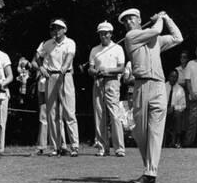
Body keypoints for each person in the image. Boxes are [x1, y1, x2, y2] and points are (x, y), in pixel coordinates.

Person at [119, 8, 183, 183]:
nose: (128, 23)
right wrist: (160, 18)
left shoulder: (156, 40)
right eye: (125, 21)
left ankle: (150, 172)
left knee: (156, 131)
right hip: (141, 86)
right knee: (139, 132)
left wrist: (167, 17)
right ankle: (149, 166)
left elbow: (178, 37)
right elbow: (155, 30)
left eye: (131, 19)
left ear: (139, 19)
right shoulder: (131, 37)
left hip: (159, 86)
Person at [37, 19, 79, 157]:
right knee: (52, 113)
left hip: (65, 76)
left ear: (65, 30)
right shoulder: (47, 44)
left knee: (69, 112)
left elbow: (69, 57)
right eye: (54, 28)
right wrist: (41, 67)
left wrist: (64, 67)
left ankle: (74, 146)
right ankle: (55, 147)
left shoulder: (70, 42)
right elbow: (38, 56)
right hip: (51, 77)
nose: (56, 31)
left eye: (59, 28)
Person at [88, 21, 126, 157]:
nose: (103, 36)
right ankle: (102, 147)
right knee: (99, 115)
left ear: (110, 34)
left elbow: (121, 68)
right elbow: (90, 69)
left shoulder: (117, 48)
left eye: (106, 33)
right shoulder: (94, 50)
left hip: (112, 82)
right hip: (98, 82)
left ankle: (119, 148)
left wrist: (107, 70)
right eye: (101, 33)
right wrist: (95, 72)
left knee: (115, 114)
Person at [31, 42, 68, 156]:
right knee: (44, 116)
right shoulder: (44, 44)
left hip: (59, 82)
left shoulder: (64, 44)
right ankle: (42, 146)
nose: (54, 32)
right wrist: (42, 68)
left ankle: (62, 145)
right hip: (43, 84)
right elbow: (34, 61)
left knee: (59, 114)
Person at [164, 70, 186, 148]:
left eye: (175, 77)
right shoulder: (163, 87)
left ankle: (177, 140)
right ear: (168, 77)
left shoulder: (180, 89)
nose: (173, 79)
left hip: (174, 112)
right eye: (172, 76)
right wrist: (165, 108)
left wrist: (173, 108)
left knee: (178, 114)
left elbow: (183, 105)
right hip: (163, 111)